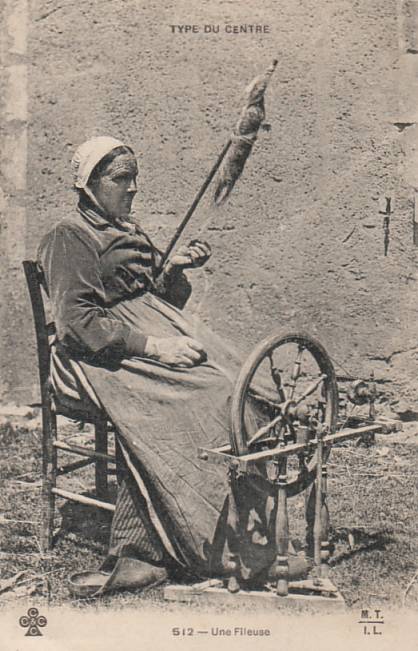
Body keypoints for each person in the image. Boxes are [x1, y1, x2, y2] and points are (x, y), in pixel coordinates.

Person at [38, 136, 307, 596]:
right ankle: (208, 545)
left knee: (243, 381)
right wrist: (155, 348)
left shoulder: (125, 228)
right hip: (97, 358)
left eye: (135, 177)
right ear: (88, 185)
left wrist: (174, 270)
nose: (134, 188)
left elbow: (152, 297)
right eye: (122, 178)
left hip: (144, 336)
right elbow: (78, 324)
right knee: (208, 398)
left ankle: (249, 531)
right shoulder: (70, 237)